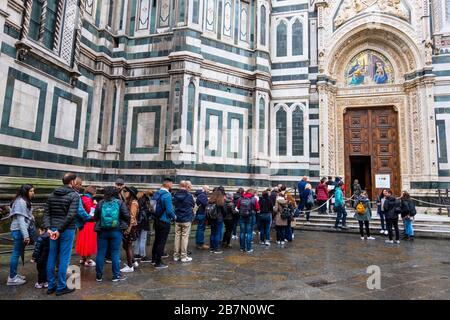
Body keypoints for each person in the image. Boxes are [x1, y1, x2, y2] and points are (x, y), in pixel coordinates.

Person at [44, 173, 80, 295]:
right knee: (64, 258)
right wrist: (59, 230)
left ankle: (51, 285)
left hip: (53, 229)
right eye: (75, 180)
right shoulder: (74, 195)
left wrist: (48, 228)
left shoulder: (52, 194)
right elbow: (71, 215)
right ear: (72, 182)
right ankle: (61, 287)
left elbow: (46, 213)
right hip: (66, 230)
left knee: (52, 256)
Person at [94, 186, 130, 282]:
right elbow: (127, 216)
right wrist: (124, 225)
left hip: (102, 231)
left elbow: (96, 217)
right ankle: (116, 276)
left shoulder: (100, 203)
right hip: (116, 231)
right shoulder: (120, 203)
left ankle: (99, 276)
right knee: (115, 253)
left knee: (100, 253)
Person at [7, 184, 35, 286]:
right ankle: (12, 278)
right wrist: (26, 236)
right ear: (25, 191)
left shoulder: (21, 200)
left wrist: (31, 217)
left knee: (17, 253)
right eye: (31, 191)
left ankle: (13, 274)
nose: (33, 193)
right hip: (19, 230)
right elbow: (21, 220)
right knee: (16, 253)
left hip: (18, 230)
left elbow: (25, 216)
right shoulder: (21, 202)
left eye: (33, 191)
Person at [151, 178, 176, 269]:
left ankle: (153, 259)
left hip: (156, 219)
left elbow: (152, 206)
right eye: (172, 183)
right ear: (168, 184)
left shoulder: (156, 193)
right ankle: (158, 262)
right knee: (162, 242)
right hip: (164, 220)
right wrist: (174, 217)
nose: (172, 185)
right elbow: (169, 211)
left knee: (156, 240)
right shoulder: (167, 195)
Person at [173, 181, 195, 262]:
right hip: (186, 219)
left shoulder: (175, 195)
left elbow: (174, 204)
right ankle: (183, 256)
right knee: (184, 237)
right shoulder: (189, 195)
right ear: (186, 186)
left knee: (177, 236)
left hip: (177, 218)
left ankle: (176, 256)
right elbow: (193, 205)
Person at [76, 185, 97, 267]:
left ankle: (83, 258)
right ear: (93, 193)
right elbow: (90, 212)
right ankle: (88, 260)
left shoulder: (82, 198)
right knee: (89, 241)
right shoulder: (88, 200)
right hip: (89, 223)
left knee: (83, 241)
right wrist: (95, 205)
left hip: (82, 223)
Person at [121, 186, 139, 272]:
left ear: (131, 193)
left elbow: (132, 217)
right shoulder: (128, 201)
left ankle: (130, 266)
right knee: (126, 245)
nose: (124, 192)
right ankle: (133, 262)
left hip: (130, 226)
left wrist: (128, 229)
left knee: (127, 245)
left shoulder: (134, 202)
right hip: (128, 226)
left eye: (126, 191)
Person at [236, 188, 260, 253]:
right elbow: (258, 208)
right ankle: (248, 248)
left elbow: (237, 207)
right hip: (250, 217)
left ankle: (242, 248)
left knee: (242, 233)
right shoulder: (254, 199)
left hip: (242, 216)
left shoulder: (240, 198)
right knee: (249, 233)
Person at [134, 190, 153, 262]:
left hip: (137, 222)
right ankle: (143, 255)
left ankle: (136, 254)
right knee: (143, 239)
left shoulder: (136, 200)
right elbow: (149, 212)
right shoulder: (146, 201)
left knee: (137, 238)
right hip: (144, 222)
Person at [208, 187, 226, 254]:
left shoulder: (210, 201)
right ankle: (216, 249)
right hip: (219, 219)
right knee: (217, 233)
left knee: (212, 233)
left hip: (211, 219)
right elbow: (225, 211)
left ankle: (212, 248)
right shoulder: (220, 202)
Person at [195, 185, 209, 250]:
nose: (208, 191)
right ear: (204, 189)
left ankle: (198, 243)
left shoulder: (200, 195)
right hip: (201, 214)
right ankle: (200, 243)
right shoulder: (202, 195)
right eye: (208, 189)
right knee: (201, 229)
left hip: (200, 213)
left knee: (199, 228)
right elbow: (205, 204)